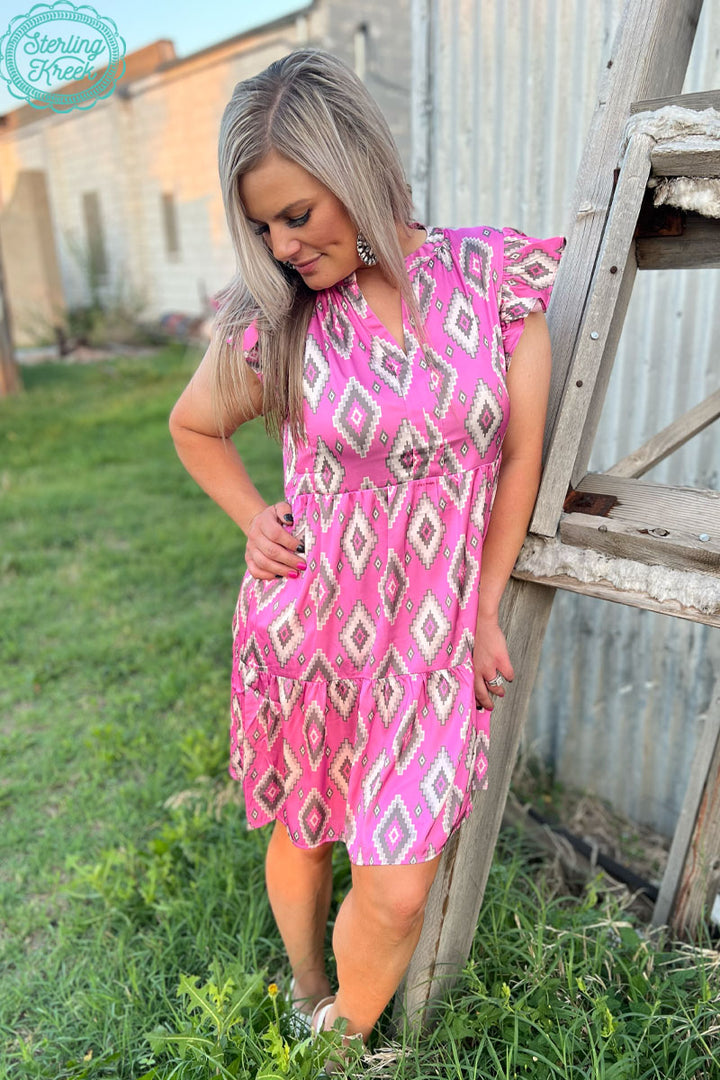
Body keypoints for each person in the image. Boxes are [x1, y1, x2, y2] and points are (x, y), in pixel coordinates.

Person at [169, 47, 563, 1057]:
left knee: (395, 888)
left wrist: (484, 605)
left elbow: (520, 457)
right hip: (312, 628)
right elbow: (193, 426)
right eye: (263, 226)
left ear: (356, 168)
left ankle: (338, 1040)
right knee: (305, 827)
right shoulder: (278, 317)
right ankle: (309, 989)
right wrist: (252, 517)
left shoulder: (492, 278)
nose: (283, 245)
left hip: (433, 641)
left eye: (297, 214)